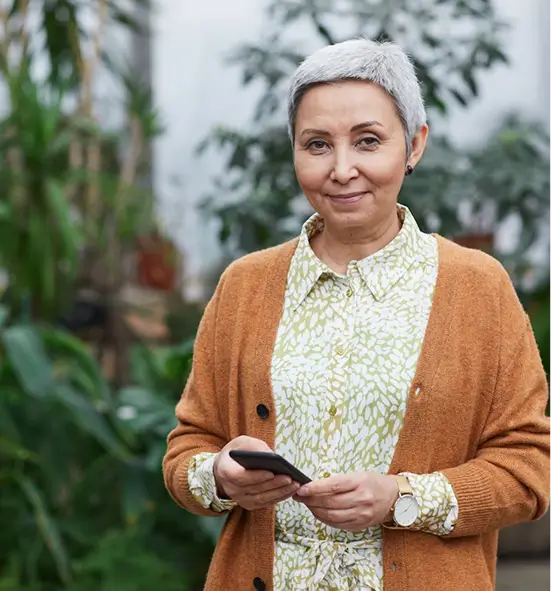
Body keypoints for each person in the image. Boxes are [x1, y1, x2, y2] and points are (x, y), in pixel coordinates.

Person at [162, 38, 551, 591]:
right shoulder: (244, 286)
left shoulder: (477, 288)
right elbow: (187, 448)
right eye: (316, 144)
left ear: (414, 145)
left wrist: (401, 498)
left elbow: (530, 468)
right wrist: (218, 477)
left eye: (368, 141)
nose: (342, 169)